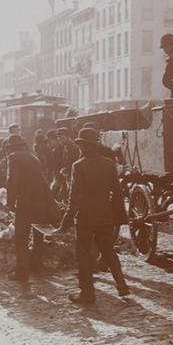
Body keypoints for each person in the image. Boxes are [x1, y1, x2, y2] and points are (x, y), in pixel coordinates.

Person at [55, 127, 130, 303]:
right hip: (105, 216)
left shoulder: (78, 166)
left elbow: (75, 199)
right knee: (109, 252)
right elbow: (118, 193)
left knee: (84, 256)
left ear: (83, 146)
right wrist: (117, 218)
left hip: (85, 219)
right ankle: (122, 286)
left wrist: (65, 223)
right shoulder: (109, 164)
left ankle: (87, 294)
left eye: (81, 145)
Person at [4, 134, 54, 282]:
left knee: (21, 237)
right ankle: (37, 266)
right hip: (41, 200)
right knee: (38, 234)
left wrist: (10, 203)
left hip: (25, 201)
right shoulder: (33, 157)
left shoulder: (13, 158)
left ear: (11, 148)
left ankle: (22, 272)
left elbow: (13, 181)